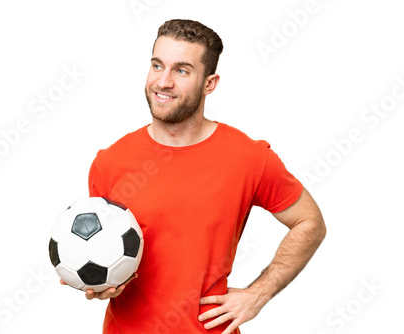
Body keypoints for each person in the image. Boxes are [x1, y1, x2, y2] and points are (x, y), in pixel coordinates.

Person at [61, 19, 326, 333]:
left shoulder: (248, 158)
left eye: (182, 70)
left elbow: (310, 222)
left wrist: (257, 294)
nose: (164, 81)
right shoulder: (110, 162)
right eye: (157, 65)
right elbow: (108, 253)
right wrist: (106, 283)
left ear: (209, 84)